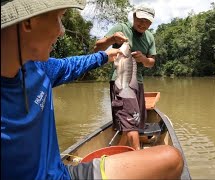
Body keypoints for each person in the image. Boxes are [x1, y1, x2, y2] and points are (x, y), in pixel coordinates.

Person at [1, 0, 184, 179]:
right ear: (28, 22)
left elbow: (71, 65)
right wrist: (108, 45)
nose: (62, 31)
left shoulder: (40, 69)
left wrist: (104, 56)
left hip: (63, 173)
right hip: (122, 83)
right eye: (59, 18)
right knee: (131, 126)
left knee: (172, 159)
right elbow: (96, 46)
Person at [94, 3, 156, 151]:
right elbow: (97, 47)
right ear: (134, 16)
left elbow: (151, 62)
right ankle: (138, 156)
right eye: (140, 19)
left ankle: (117, 151)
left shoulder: (149, 37)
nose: (143, 24)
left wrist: (144, 60)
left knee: (134, 121)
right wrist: (111, 40)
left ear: (151, 23)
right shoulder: (121, 29)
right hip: (121, 81)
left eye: (147, 21)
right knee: (132, 123)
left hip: (138, 82)